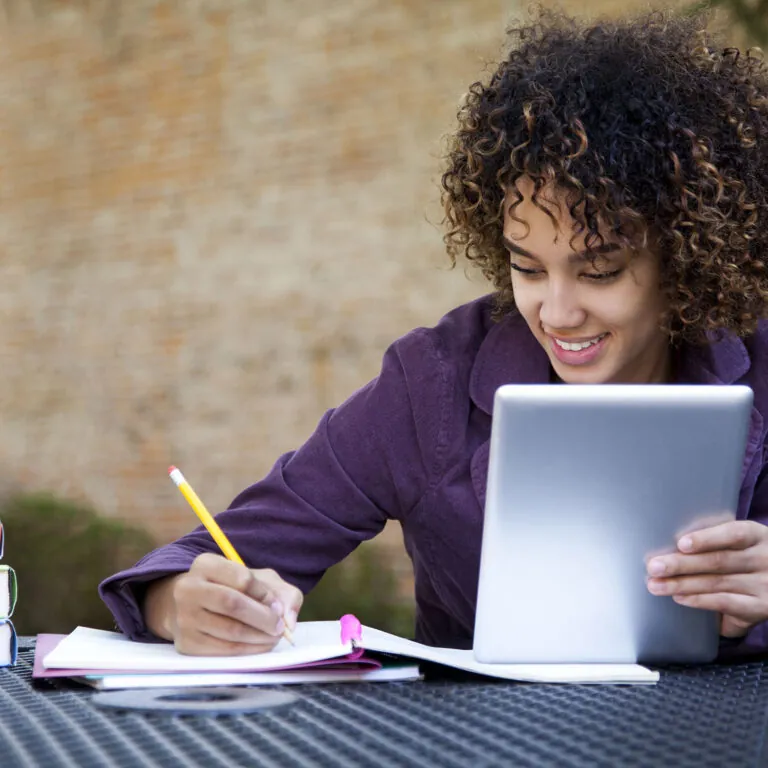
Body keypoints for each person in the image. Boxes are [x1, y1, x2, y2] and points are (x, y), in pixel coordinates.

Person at [100, 9, 768, 657]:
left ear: (684, 258)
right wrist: (181, 602)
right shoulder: (433, 382)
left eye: (600, 271)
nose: (557, 313)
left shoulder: (759, 359)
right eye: (527, 268)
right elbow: (215, 556)